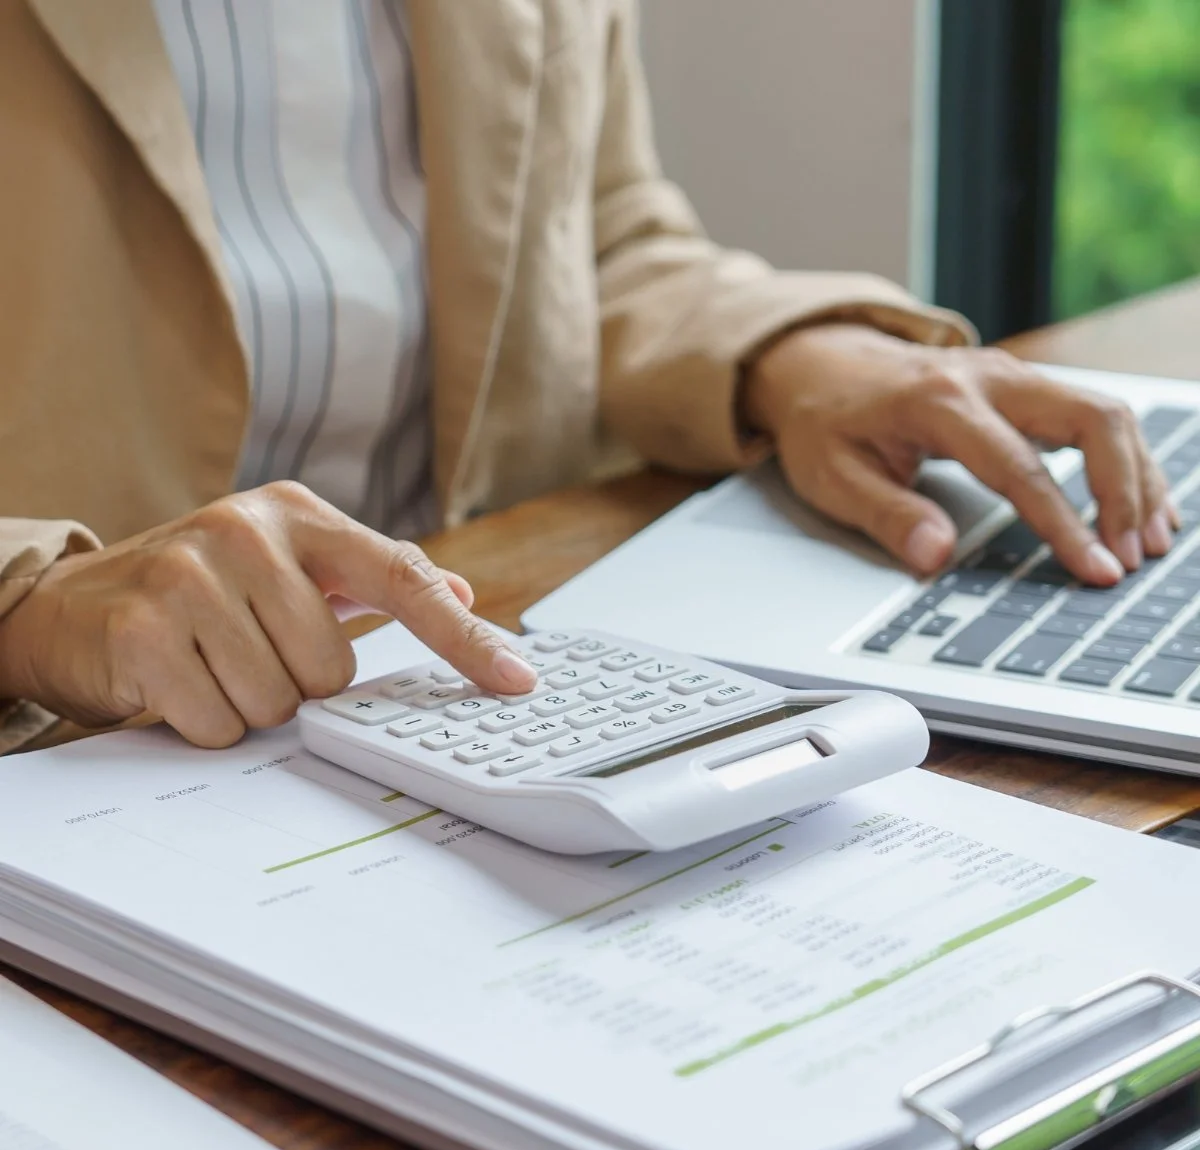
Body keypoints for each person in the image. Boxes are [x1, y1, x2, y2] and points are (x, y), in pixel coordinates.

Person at [0, 1, 1174, 753]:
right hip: (80, 760)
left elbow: (595, 233)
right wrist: (34, 608)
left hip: (476, 700)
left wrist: (792, 355)